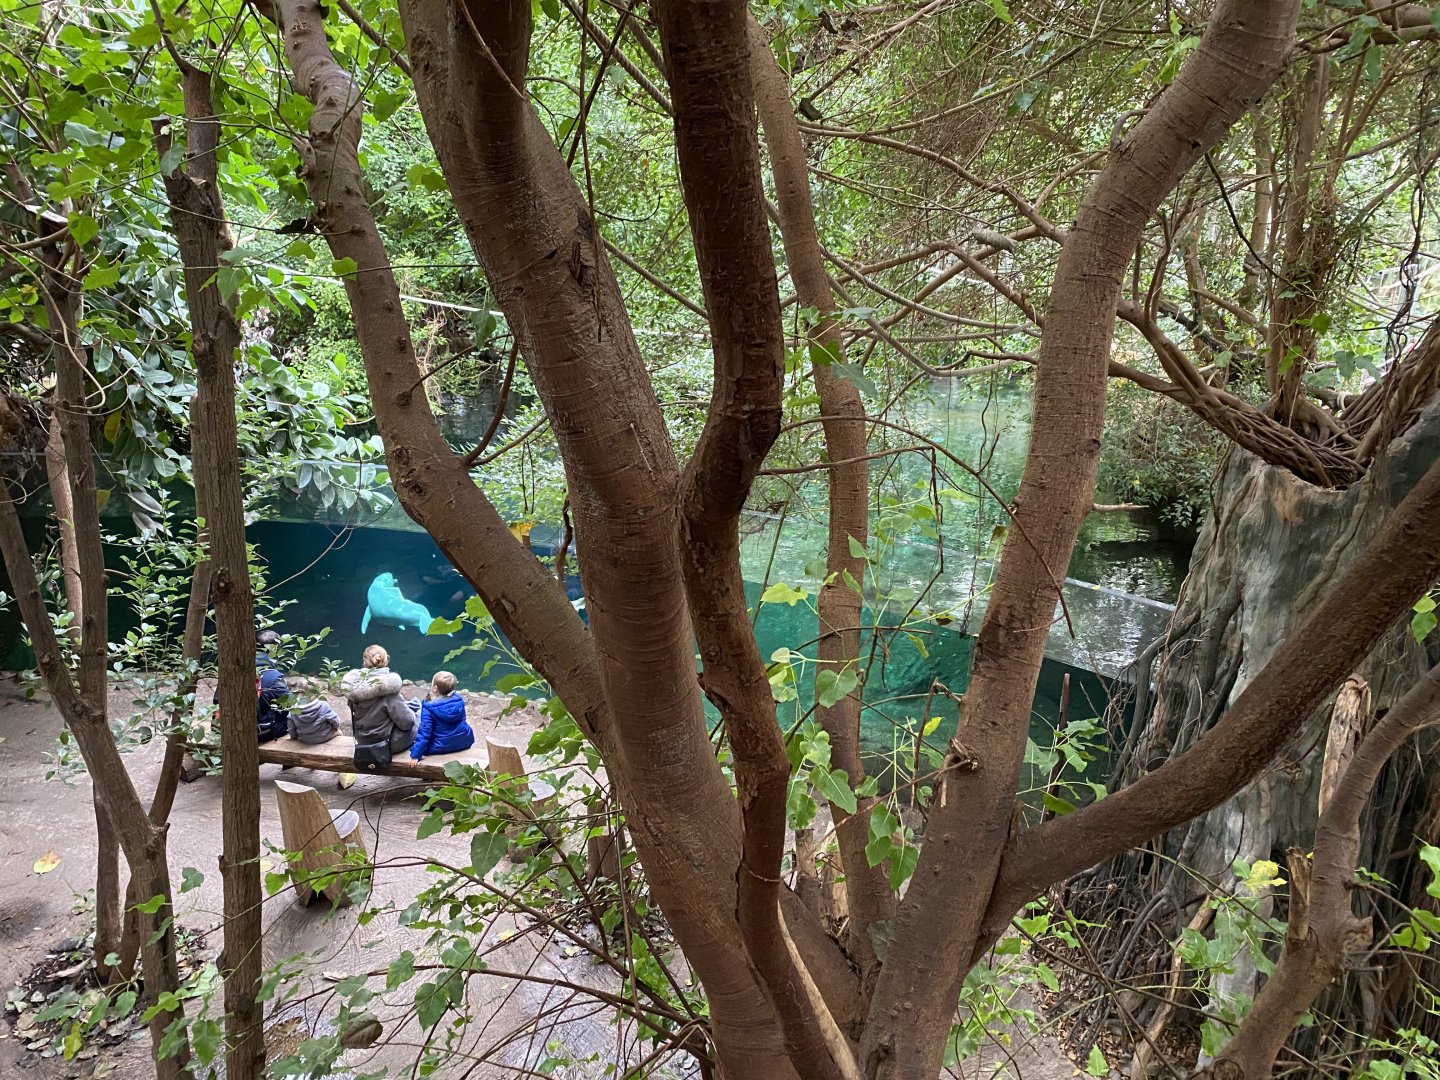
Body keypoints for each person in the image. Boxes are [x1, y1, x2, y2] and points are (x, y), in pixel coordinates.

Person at [343, 644, 416, 757]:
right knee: (419, 717)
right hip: (387, 743)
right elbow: (407, 723)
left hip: (363, 741)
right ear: (386, 660)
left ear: (364, 661)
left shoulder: (355, 688)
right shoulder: (389, 692)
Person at [410, 671, 475, 761]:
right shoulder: (459, 701)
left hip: (439, 746)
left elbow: (424, 733)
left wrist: (415, 755)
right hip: (464, 741)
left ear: (435, 688)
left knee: (418, 722)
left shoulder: (429, 708)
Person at [253, 630, 291, 744]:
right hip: (259, 732)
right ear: (274, 649)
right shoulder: (273, 676)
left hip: (227, 728)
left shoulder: (234, 667)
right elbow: (289, 704)